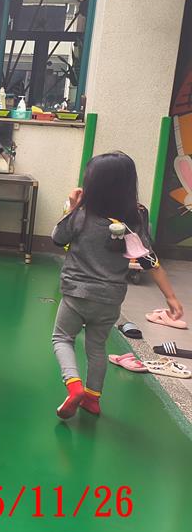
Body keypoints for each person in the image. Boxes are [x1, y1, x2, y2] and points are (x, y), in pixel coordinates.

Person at [50, 152, 182, 418]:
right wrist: (171, 297)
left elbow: (57, 237)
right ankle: (92, 398)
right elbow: (150, 261)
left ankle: (74, 386)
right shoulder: (135, 221)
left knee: (62, 338)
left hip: (76, 295)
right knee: (96, 347)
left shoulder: (82, 216)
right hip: (110, 300)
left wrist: (73, 207)